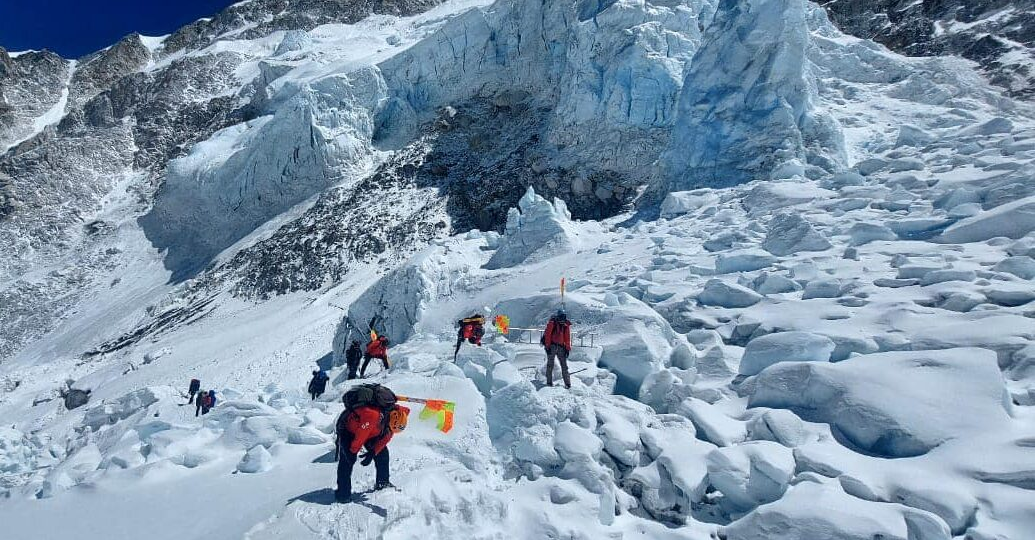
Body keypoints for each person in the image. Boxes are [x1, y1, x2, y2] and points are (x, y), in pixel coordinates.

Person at [335, 384, 409, 503]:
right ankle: (343, 494)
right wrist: (353, 452)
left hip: (372, 433)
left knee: (382, 454)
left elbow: (386, 438)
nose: (390, 431)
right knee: (347, 460)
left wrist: (373, 452)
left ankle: (383, 483)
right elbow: (360, 436)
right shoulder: (372, 416)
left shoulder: (399, 416)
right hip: (350, 430)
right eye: (390, 428)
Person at [541, 310, 572, 388]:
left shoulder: (565, 325)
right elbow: (548, 335)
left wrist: (567, 348)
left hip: (561, 347)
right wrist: (547, 346)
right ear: (558, 316)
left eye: (564, 317)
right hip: (552, 346)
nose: (562, 318)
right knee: (550, 365)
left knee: (564, 366)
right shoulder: (552, 323)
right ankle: (549, 382)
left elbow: (567, 337)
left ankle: (567, 383)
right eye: (561, 316)